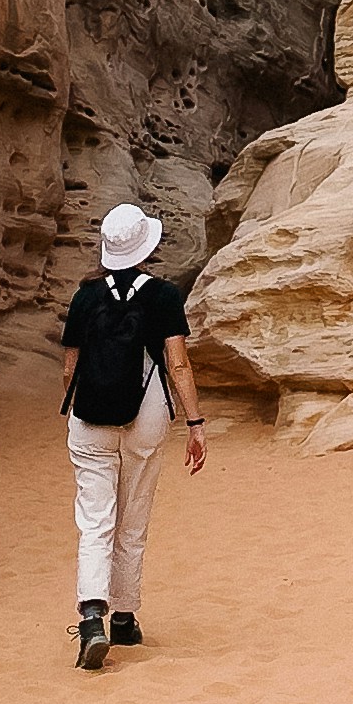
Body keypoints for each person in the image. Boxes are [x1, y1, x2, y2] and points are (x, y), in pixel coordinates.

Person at [59, 203, 205, 671]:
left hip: (90, 419)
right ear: (146, 247)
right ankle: (124, 617)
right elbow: (177, 363)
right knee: (133, 517)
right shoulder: (163, 296)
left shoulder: (84, 297)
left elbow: (70, 367)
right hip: (145, 419)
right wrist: (195, 422)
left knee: (95, 521)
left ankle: (91, 618)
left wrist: (81, 411)